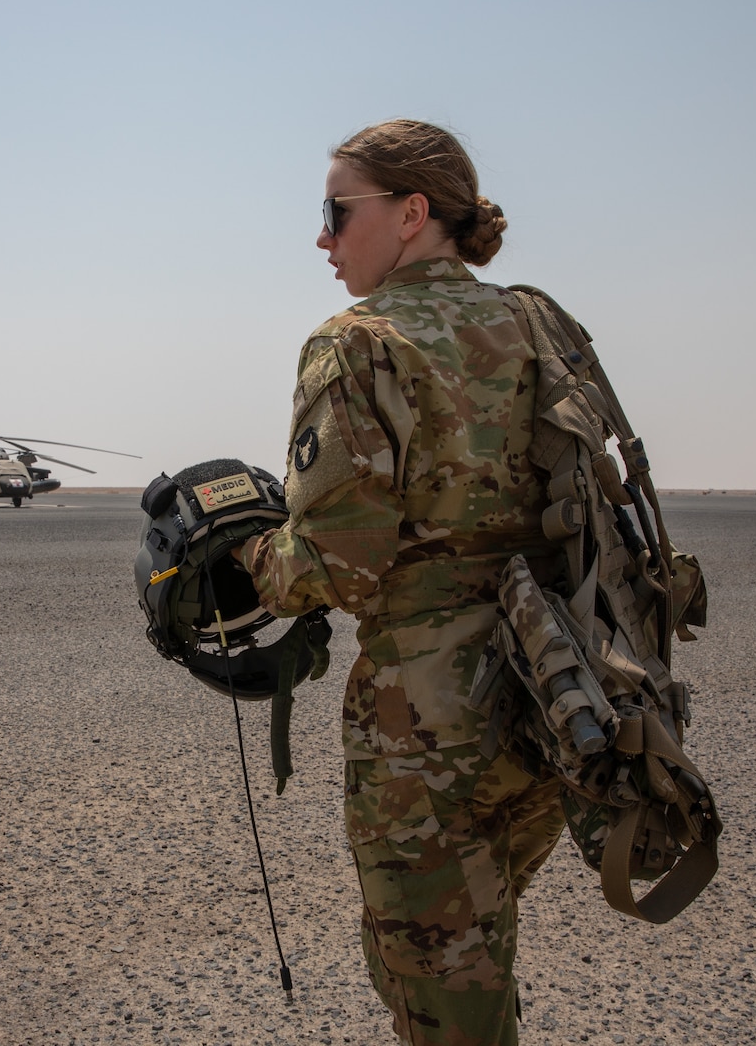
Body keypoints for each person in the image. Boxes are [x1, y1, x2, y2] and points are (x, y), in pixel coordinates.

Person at [238, 120, 566, 1046]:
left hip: (428, 732)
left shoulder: (358, 342)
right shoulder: (539, 322)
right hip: (552, 699)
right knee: (468, 962)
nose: (323, 238)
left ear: (412, 213)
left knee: (442, 996)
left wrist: (246, 556)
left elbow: (339, 561)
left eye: (338, 212)